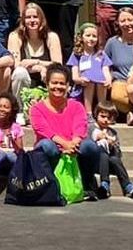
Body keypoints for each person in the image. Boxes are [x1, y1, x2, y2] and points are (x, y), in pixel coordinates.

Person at [26, 64, 104, 201]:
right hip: (52, 151)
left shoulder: (77, 106)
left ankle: (86, 186)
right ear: (47, 84)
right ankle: (49, 187)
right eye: (54, 83)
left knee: (90, 146)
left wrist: (73, 144)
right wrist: (65, 145)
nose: (58, 87)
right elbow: (45, 132)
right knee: (46, 146)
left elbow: (80, 128)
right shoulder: (37, 109)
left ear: (68, 86)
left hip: (73, 150)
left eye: (62, 83)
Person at [88, 106, 133, 199]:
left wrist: (112, 146)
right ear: (96, 115)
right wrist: (104, 137)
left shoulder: (113, 132)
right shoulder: (91, 128)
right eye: (102, 116)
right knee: (102, 153)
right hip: (95, 163)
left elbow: (118, 152)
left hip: (110, 163)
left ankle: (127, 185)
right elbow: (96, 135)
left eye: (109, 118)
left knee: (114, 159)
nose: (105, 120)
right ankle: (105, 183)